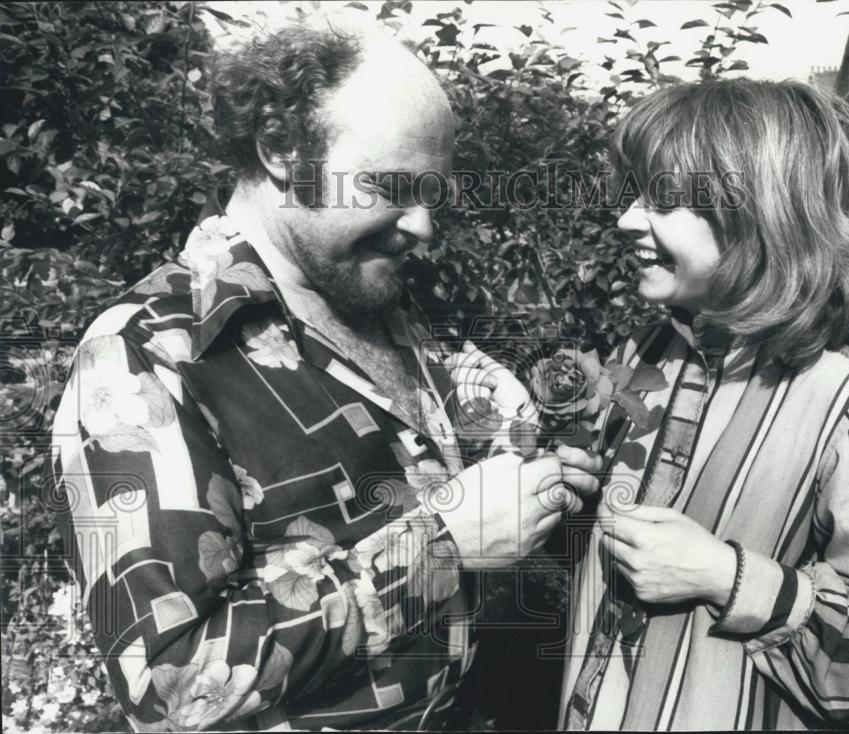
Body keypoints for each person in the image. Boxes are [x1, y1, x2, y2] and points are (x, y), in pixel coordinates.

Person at [50, 22, 593, 731]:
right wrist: (444, 545)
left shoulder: (374, 302)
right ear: (280, 147)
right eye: (394, 186)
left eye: (435, 193)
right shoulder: (141, 358)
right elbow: (171, 686)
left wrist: (538, 459)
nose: (425, 227)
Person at [457, 79, 849, 730]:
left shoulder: (847, 401)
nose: (626, 219)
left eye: (661, 198)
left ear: (756, 215)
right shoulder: (652, 351)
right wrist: (561, 493)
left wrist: (727, 577)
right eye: (633, 192)